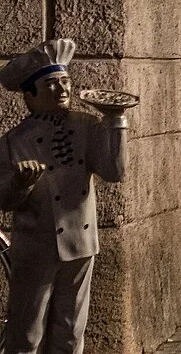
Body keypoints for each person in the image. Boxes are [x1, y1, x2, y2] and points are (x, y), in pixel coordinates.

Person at [0, 38, 129, 353]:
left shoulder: (88, 127)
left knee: (70, 331)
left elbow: (114, 172)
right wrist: (21, 184)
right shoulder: (14, 141)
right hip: (35, 247)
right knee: (27, 331)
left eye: (65, 81)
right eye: (51, 84)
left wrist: (116, 121)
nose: (62, 89)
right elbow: (3, 200)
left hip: (80, 243)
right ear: (30, 95)